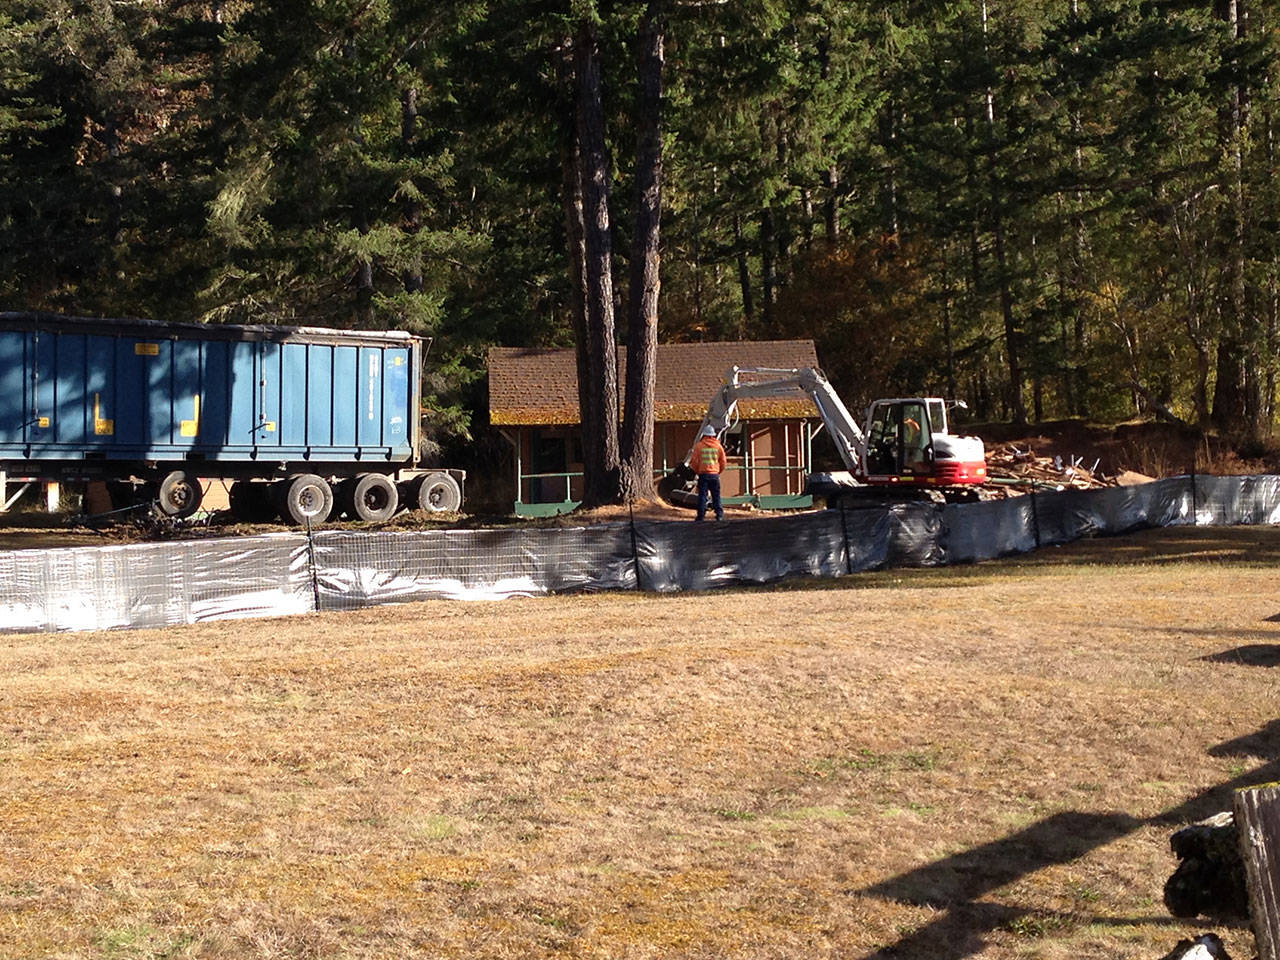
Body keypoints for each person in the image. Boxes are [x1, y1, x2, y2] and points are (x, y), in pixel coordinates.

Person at [690, 424, 727, 521]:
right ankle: (719, 515)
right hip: (714, 474)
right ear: (713, 435)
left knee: (702, 495)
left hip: (703, 474)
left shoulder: (699, 446)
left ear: (704, 435)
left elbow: (694, 462)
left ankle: (701, 516)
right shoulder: (718, 446)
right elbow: (723, 461)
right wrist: (718, 471)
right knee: (716, 495)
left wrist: (698, 471)